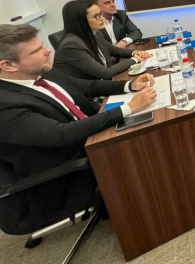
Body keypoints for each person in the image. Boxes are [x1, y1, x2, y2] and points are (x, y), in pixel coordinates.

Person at [0, 24, 158, 232]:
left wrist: (130, 86)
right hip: (65, 172)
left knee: (154, 125)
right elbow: (61, 134)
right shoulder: (5, 104)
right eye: (37, 50)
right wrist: (128, 108)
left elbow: (88, 86)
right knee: (150, 144)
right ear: (9, 65)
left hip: (89, 140)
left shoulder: (41, 73)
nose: (48, 51)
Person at [53, 0, 151, 80]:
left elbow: (114, 50)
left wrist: (134, 53)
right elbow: (105, 73)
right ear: (80, 20)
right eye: (96, 16)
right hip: (89, 93)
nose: (102, 19)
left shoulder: (95, 33)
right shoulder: (71, 45)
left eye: (101, 14)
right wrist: (135, 59)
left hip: (104, 82)